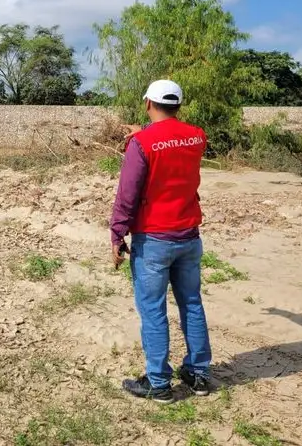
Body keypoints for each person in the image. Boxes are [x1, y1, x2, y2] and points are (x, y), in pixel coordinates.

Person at [110, 79, 212, 404]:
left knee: (153, 310)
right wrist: (142, 132)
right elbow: (171, 139)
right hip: (189, 236)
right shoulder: (196, 136)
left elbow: (127, 194)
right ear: (178, 105)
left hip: (154, 239)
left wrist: (117, 233)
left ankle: (159, 383)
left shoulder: (141, 144)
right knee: (191, 303)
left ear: (147, 104)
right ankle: (198, 374)